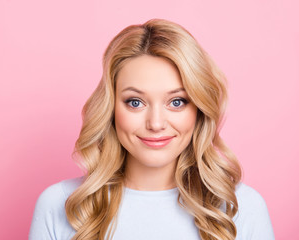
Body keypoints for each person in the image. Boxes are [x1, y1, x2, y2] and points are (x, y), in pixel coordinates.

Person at [28, 19, 274, 240]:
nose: (155, 124)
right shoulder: (61, 205)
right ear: (111, 109)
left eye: (176, 102)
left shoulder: (241, 208)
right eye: (135, 102)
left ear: (198, 110)